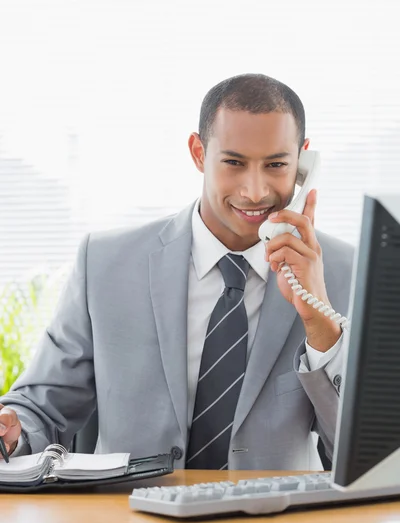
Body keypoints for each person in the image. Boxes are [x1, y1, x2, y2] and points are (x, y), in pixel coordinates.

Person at [0, 73, 353, 471]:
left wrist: (319, 321)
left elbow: (363, 454)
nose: (255, 191)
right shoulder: (105, 264)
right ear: (199, 153)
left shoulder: (340, 272)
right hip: (129, 520)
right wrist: (13, 432)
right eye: (233, 162)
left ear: (303, 162)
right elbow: (43, 409)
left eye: (276, 165)